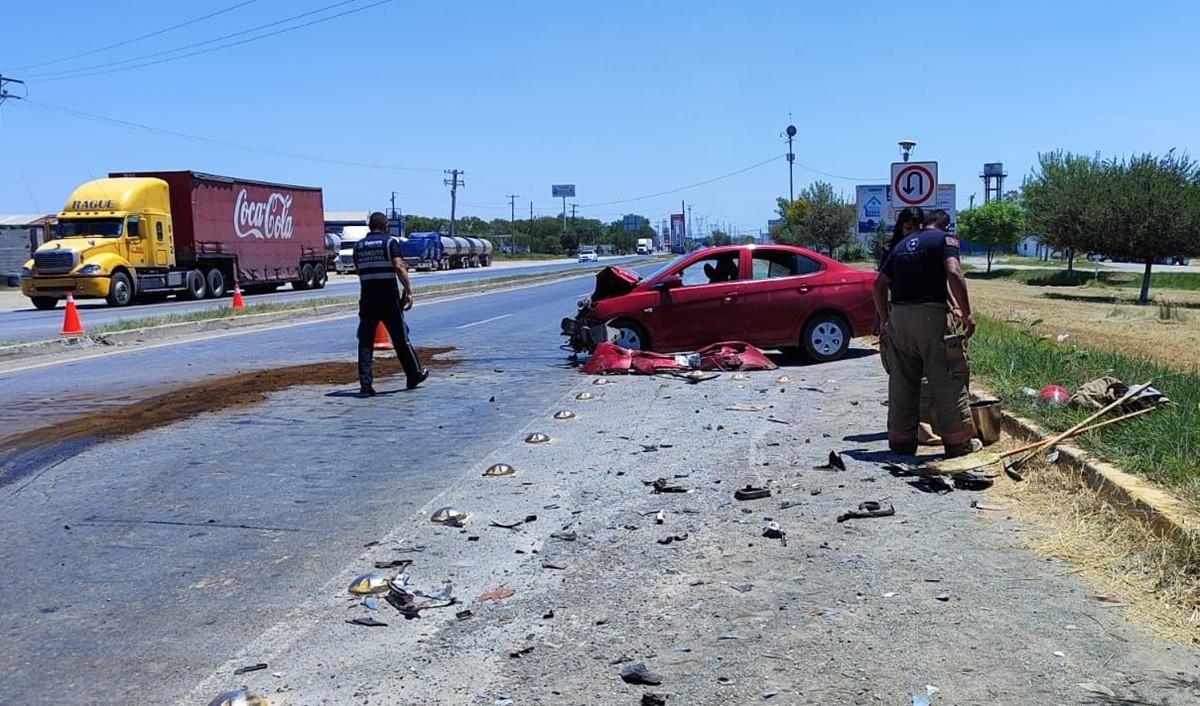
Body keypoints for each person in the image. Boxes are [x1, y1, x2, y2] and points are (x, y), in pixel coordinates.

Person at [873, 209, 977, 457]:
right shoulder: (946, 240)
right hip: (931, 317)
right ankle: (957, 442)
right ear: (945, 226)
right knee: (947, 377)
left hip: (899, 318)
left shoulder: (901, 246)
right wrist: (966, 312)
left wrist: (885, 319)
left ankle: (901, 441)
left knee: (902, 381)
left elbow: (878, 284)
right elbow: (953, 272)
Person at [353, 212, 428, 397]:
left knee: (365, 341)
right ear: (385, 226)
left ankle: (365, 385)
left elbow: (358, 269)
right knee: (400, 338)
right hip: (388, 298)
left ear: (370, 226)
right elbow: (399, 266)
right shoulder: (389, 242)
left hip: (367, 298)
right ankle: (414, 374)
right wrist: (408, 290)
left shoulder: (358, 246)